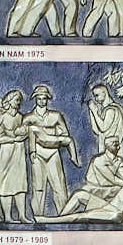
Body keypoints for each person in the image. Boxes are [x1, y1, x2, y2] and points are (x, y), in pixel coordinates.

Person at [25, 84, 79, 218]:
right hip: (38, 153)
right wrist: (32, 150)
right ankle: (38, 215)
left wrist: (54, 134)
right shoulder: (28, 118)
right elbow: (20, 134)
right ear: (35, 99)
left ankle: (64, 214)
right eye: (39, 98)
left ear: (47, 99)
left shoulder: (56, 116)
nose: (41, 101)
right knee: (38, 186)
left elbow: (65, 134)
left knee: (59, 185)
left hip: (53, 152)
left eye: (44, 98)